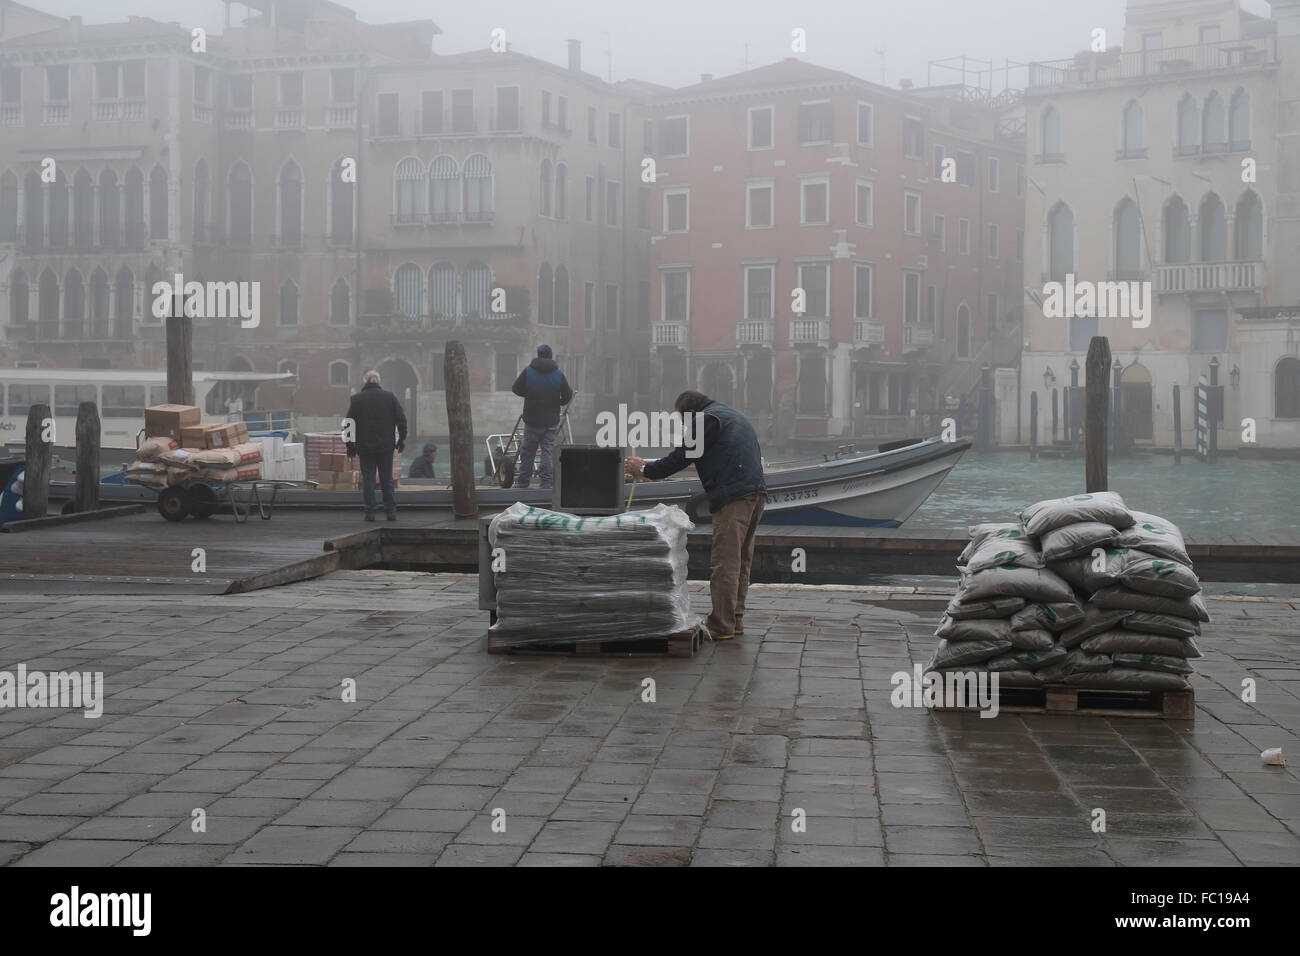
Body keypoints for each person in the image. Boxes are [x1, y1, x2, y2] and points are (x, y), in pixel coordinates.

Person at [627, 390, 766, 641]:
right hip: (756, 494)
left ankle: (721, 626)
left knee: (725, 563)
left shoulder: (706, 420)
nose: (684, 426)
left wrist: (644, 469)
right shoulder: (730, 415)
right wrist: (648, 466)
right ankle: (735, 619)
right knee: (741, 560)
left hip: (733, 497)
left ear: (689, 412)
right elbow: (694, 454)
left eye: (683, 421)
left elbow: (681, 457)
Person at [344, 370, 407, 521]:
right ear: (379, 382)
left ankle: (370, 512)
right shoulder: (390, 397)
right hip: (386, 446)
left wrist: (349, 446)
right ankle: (390, 512)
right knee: (387, 480)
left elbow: (347, 424)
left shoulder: (356, 399)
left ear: (365, 382)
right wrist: (402, 439)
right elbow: (401, 419)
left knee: (368, 480)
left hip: (365, 448)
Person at [510, 344, 573, 490]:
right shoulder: (558, 373)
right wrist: (559, 402)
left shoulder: (529, 371)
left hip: (532, 421)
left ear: (538, 355)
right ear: (551, 356)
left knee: (528, 453)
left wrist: (529, 395)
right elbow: (568, 395)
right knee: (547, 452)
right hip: (551, 422)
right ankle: (545, 485)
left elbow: (515, 388)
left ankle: (523, 484)